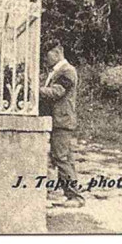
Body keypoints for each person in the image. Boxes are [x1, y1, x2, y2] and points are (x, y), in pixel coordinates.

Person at [39, 41, 84, 205]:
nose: (45, 58)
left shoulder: (67, 71)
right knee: (61, 157)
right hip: (56, 120)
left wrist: (34, 89)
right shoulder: (56, 71)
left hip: (62, 121)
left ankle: (75, 197)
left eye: (47, 54)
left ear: (57, 52)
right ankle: (68, 194)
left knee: (62, 158)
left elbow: (57, 92)